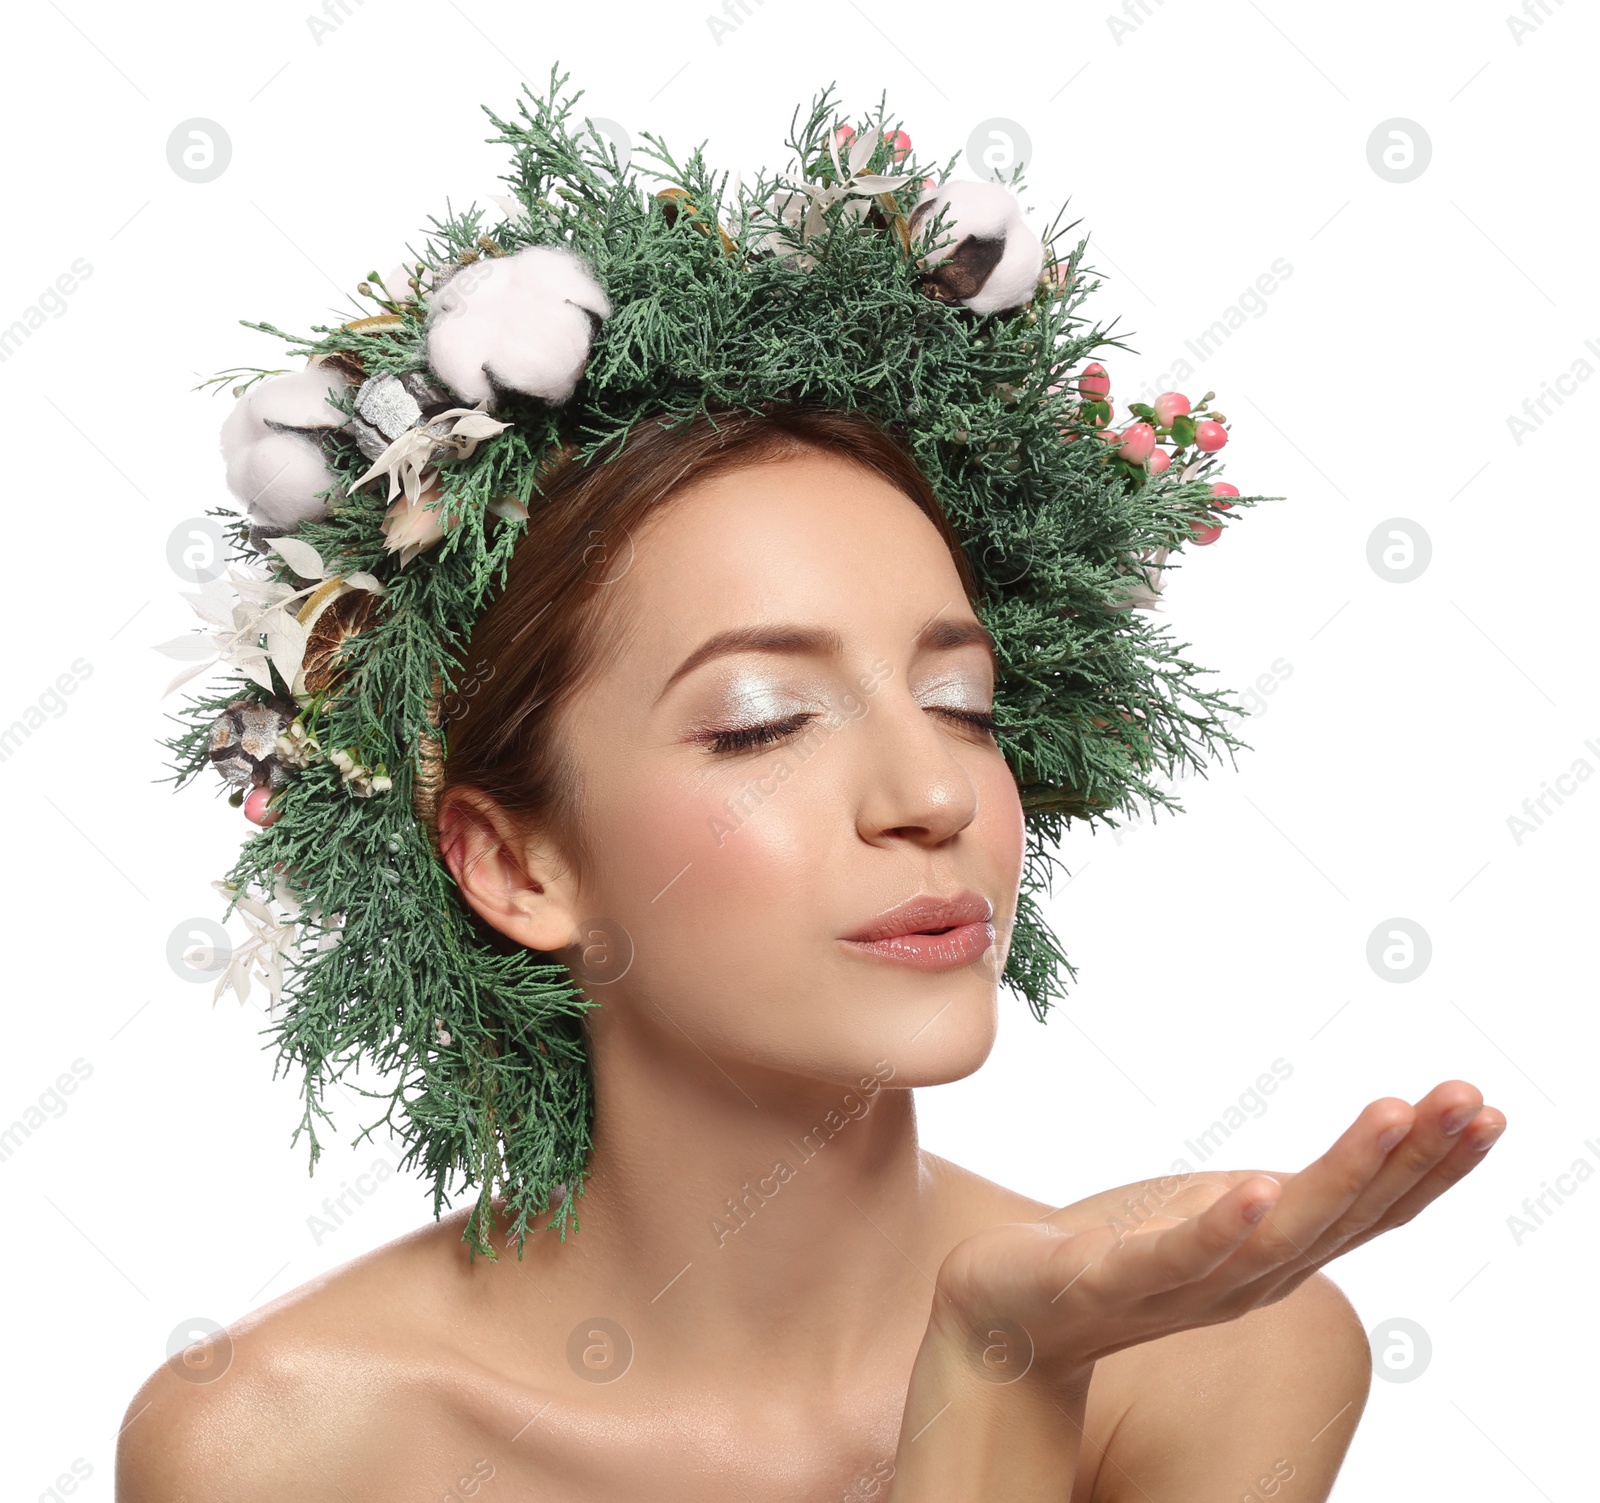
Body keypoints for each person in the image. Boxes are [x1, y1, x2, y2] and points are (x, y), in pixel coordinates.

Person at [118, 405, 1504, 1500]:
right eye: (765, 722)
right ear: (519, 865)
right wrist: (998, 1370)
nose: (936, 795)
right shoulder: (282, 1452)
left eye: (962, 703)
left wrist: (1006, 1359)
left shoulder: (1220, 1352)